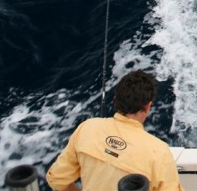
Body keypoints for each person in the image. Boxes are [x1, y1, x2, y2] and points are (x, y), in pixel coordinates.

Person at [46, 70, 184, 191]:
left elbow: (56, 179)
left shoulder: (87, 128)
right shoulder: (159, 151)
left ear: (116, 99)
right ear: (148, 107)